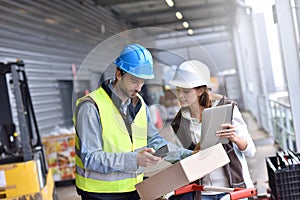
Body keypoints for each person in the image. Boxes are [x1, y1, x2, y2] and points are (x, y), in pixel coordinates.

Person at [73, 43, 193, 200]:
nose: (139, 87)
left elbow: (154, 141)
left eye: (142, 82)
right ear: (118, 74)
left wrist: (187, 155)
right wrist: (135, 159)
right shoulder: (91, 106)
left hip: (133, 189)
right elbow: (90, 158)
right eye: (134, 81)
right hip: (100, 195)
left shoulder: (139, 104)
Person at [168, 60, 256, 200]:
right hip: (202, 193)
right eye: (178, 90)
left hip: (232, 190)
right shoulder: (179, 123)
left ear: (200, 91)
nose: (181, 96)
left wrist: (235, 138)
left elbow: (251, 150)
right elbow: (183, 161)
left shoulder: (226, 108)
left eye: (186, 91)